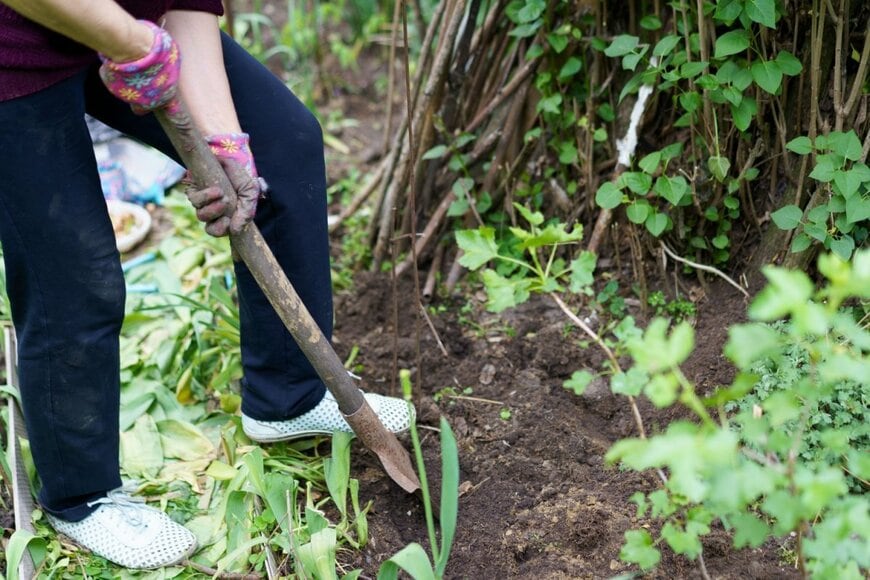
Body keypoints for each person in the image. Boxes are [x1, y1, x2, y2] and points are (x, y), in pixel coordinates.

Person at [0, 0, 413, 570]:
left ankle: (287, 397)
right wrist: (131, 43)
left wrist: (224, 144)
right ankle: (80, 496)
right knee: (73, 270)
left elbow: (185, 5)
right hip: (13, 51)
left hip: (135, 30)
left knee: (280, 148)